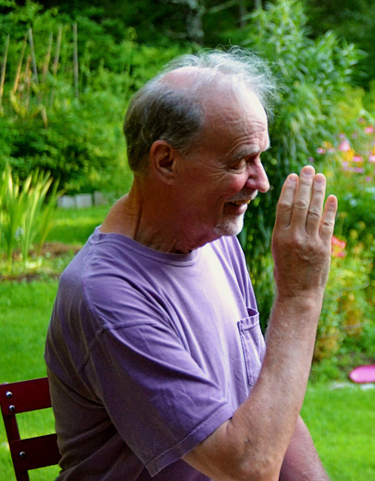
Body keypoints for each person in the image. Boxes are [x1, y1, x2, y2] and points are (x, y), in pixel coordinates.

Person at [45, 49, 337, 480]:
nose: (261, 182)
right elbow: (247, 468)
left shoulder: (214, 241)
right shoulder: (107, 295)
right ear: (165, 160)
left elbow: (273, 410)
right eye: (240, 160)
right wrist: (300, 295)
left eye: (260, 158)